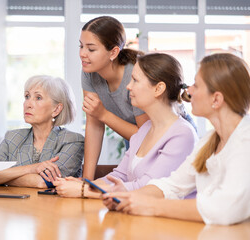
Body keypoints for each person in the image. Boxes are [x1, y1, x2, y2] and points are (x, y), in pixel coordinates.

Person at [104, 53, 250, 225]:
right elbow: (172, 185)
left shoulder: (245, 142)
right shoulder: (211, 140)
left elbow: (224, 209)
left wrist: (152, 206)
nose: (188, 90)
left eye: (196, 85)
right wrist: (128, 197)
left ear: (216, 99)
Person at [54, 53, 197, 198]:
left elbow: (149, 188)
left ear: (158, 88)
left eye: (135, 80)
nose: (128, 86)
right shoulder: (145, 129)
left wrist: (85, 191)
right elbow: (119, 176)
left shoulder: (183, 135)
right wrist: (84, 184)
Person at [0, 75, 84, 188]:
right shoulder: (12, 137)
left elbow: (42, 182)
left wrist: (0, 178)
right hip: (13, 205)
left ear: (56, 109)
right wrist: (32, 168)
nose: (28, 104)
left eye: (38, 98)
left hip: (52, 205)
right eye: (27, 96)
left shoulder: (73, 141)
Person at [79, 16, 149, 180]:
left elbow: (147, 136)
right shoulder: (89, 73)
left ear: (114, 52)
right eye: (81, 46)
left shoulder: (135, 76)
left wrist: (103, 114)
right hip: (133, 134)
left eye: (91, 49)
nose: (82, 54)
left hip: (162, 137)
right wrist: (86, 181)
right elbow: (94, 125)